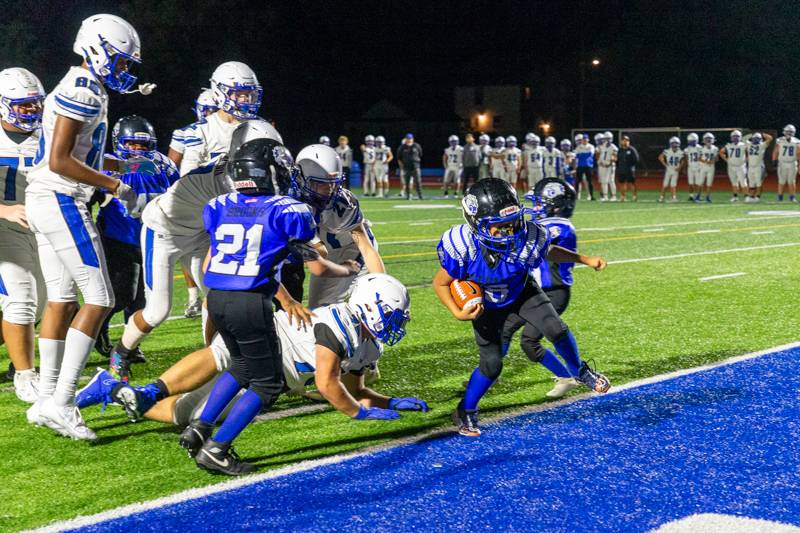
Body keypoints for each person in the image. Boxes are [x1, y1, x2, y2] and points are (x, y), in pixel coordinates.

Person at [181, 138, 361, 475]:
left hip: (217, 296)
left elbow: (218, 258)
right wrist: (345, 269)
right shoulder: (288, 209)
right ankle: (217, 449)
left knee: (240, 367)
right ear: (272, 172)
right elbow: (313, 256)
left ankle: (199, 428)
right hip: (250, 301)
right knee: (267, 383)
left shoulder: (218, 205)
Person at [77, 275, 425, 431]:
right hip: (266, 343)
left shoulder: (367, 343)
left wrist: (389, 401)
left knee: (185, 414)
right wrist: (358, 415)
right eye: (394, 316)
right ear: (371, 307)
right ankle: (151, 389)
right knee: (221, 354)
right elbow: (328, 384)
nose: (397, 325)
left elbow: (355, 389)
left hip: (273, 379)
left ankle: (113, 389)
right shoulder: (339, 324)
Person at [24, 14, 142, 440]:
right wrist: (115, 185)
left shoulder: (80, 84)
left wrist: (120, 166)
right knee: (100, 297)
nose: (124, 70)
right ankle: (63, 400)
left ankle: (46, 400)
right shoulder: (85, 90)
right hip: (59, 197)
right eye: (121, 61)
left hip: (43, 195)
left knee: (61, 297)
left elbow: (78, 153)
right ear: (96, 48)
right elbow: (60, 159)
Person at [433, 178, 610, 437]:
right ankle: (465, 409)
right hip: (487, 306)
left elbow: (548, 250)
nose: (510, 231)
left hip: (521, 292)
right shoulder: (463, 245)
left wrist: (583, 258)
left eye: (513, 222)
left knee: (556, 329)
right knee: (492, 365)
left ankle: (580, 371)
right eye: (499, 227)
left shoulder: (529, 234)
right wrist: (457, 311)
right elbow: (440, 283)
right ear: (476, 223)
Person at [109, 119, 283, 381]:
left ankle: (212, 356)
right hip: (164, 231)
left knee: (217, 295)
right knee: (157, 310)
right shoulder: (232, 182)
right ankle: (121, 352)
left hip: (200, 231)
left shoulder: (235, 168)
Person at [93, 116, 179, 360]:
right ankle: (99, 328)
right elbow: (93, 193)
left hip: (152, 236)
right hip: (118, 237)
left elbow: (178, 191)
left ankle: (129, 346)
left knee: (143, 298)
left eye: (143, 145)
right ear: (120, 142)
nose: (138, 150)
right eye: (132, 144)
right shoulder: (108, 163)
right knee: (123, 294)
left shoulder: (164, 164)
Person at [497, 178, 581, 399]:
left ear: (555, 205)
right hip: (532, 291)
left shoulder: (560, 226)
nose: (534, 208)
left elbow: (541, 241)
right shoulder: (541, 226)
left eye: (539, 203)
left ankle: (571, 376)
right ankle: (490, 371)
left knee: (529, 340)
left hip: (554, 291)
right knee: (504, 329)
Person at [0, 67, 46, 403]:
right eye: (23, 105)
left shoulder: (47, 134)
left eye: (34, 104)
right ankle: (25, 375)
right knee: (22, 299)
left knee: (43, 303)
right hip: (4, 224)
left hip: (40, 225)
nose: (31, 111)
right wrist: (4, 211)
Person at [179, 62, 262, 175]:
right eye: (238, 94)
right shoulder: (200, 130)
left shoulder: (261, 127)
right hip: (213, 191)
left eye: (248, 94)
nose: (245, 100)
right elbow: (187, 178)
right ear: (219, 93)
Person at [167, 88, 218, 168]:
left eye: (217, 111)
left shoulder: (232, 130)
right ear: (201, 110)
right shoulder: (183, 133)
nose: (213, 115)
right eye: (209, 110)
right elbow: (171, 169)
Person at [772, 124, 799, 202]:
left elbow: (798, 153)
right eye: (787, 132)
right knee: (782, 181)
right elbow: (776, 151)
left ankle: (791, 197)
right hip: (784, 163)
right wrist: (774, 161)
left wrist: (774, 161)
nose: (788, 133)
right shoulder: (780, 140)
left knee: (790, 181)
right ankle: (781, 197)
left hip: (791, 163)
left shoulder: (796, 141)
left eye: (790, 132)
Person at [744, 132, 773, 202]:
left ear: (760, 139)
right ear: (752, 139)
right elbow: (743, 138)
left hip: (759, 167)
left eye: (757, 139)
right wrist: (752, 134)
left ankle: (758, 197)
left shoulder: (762, 145)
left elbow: (770, 138)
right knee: (751, 183)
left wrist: (762, 134)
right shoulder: (749, 144)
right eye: (755, 138)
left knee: (758, 183)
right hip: (750, 167)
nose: (756, 140)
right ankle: (751, 196)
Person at [720, 130, 747, 202]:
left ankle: (746, 197)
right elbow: (721, 152)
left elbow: (749, 153)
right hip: (731, 166)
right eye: (734, 137)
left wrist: (746, 160)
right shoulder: (728, 145)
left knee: (743, 182)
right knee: (734, 182)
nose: (735, 138)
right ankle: (735, 197)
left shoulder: (743, 145)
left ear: (740, 137)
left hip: (740, 166)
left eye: (737, 136)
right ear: (731, 138)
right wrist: (726, 159)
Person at [657, 137, 684, 203]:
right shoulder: (668, 151)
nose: (674, 145)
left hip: (674, 170)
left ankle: (672, 198)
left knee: (672, 184)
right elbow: (660, 157)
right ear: (671, 144)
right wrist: (665, 164)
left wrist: (679, 167)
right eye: (673, 143)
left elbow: (683, 161)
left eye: (676, 143)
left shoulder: (680, 152)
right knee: (666, 184)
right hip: (670, 169)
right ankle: (662, 198)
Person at [397, 133, 423, 200]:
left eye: (410, 138)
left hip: (415, 166)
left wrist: (415, 161)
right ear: (406, 139)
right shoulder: (402, 147)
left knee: (418, 182)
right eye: (408, 138)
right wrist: (402, 166)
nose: (409, 140)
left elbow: (420, 154)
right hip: (407, 167)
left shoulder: (416, 146)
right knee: (407, 182)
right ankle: (408, 195)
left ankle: (420, 195)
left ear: (412, 139)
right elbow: (399, 158)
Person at [616, 135, 640, 202]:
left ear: (629, 142)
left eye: (626, 140)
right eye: (623, 140)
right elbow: (617, 159)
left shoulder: (632, 149)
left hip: (629, 170)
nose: (625, 141)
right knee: (622, 183)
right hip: (621, 169)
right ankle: (623, 196)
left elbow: (636, 159)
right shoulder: (620, 150)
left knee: (632, 183)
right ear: (621, 141)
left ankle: (634, 196)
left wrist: (631, 166)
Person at [596, 131, 618, 201]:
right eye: (607, 138)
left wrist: (610, 162)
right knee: (604, 181)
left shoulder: (613, 147)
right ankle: (605, 196)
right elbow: (597, 154)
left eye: (609, 138)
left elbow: (615, 157)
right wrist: (600, 162)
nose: (608, 140)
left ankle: (613, 196)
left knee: (611, 181)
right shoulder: (601, 146)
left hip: (610, 166)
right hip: (602, 165)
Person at [574, 134, 595, 201]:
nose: (585, 140)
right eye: (583, 139)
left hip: (588, 166)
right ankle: (576, 196)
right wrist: (584, 154)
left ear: (588, 140)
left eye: (586, 139)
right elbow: (576, 156)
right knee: (578, 181)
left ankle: (591, 196)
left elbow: (590, 154)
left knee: (590, 181)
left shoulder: (591, 146)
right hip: (580, 166)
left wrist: (582, 154)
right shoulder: (578, 147)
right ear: (582, 140)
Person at [699, 132, 719, 203]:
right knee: (700, 182)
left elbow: (717, 158)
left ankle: (707, 196)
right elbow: (699, 158)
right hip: (703, 167)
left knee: (709, 183)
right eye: (707, 139)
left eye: (710, 139)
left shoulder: (715, 148)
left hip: (711, 167)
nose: (708, 140)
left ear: (713, 140)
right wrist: (706, 161)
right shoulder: (701, 148)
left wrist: (712, 161)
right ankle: (698, 196)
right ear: (704, 140)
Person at [684, 133, 703, 202]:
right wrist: (685, 168)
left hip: (698, 168)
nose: (691, 142)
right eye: (690, 141)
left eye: (693, 141)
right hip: (690, 168)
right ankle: (691, 196)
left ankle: (698, 196)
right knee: (690, 183)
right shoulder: (687, 149)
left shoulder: (700, 148)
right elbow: (686, 159)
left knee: (698, 183)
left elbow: (702, 158)